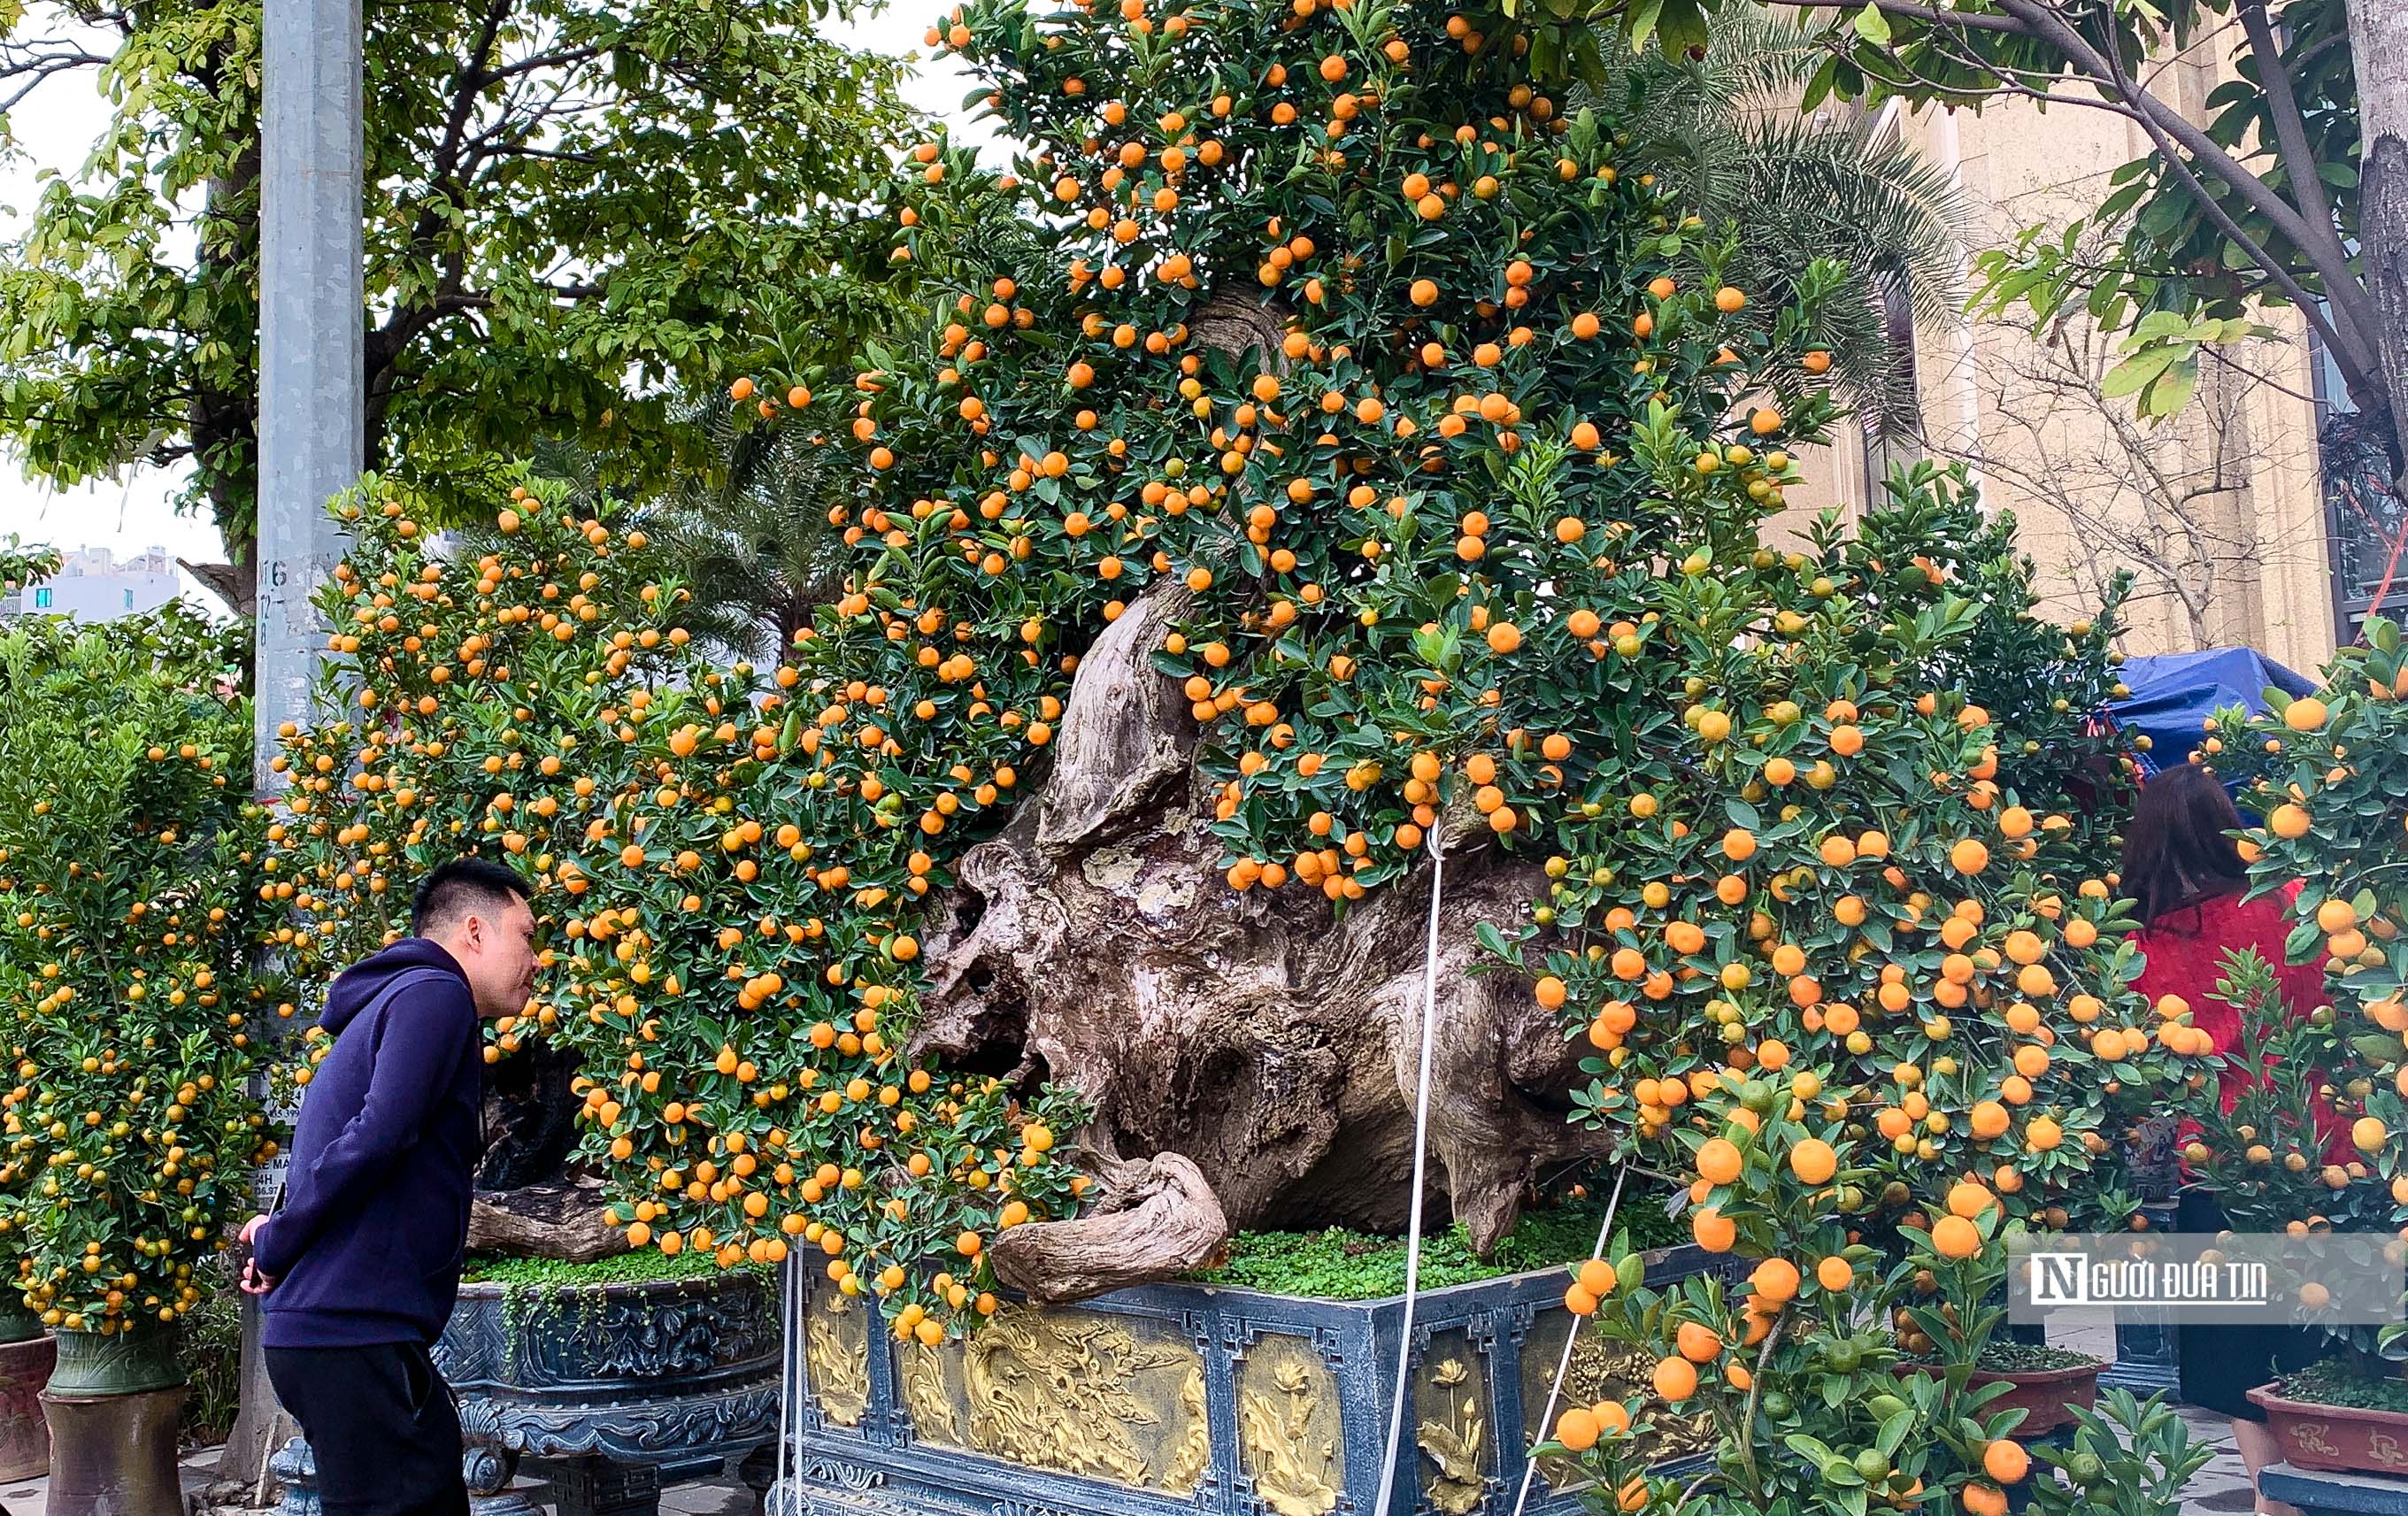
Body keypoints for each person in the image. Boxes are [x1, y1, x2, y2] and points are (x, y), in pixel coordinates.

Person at [242, 858, 536, 1516]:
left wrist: (276, 1231)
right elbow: (379, 1130)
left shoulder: (398, 1000)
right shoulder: (434, 994)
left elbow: (345, 1137)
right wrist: (280, 1240)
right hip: (352, 1334)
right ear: (474, 931)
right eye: (528, 934)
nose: (537, 959)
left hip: (342, 1333)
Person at [2122, 762, 2341, 1516]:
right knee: (2327, 1324)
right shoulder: (2289, 903)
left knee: (2235, 1340)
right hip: (2325, 1149)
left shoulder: (2145, 941)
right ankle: (2329, 1478)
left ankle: (2266, 1497)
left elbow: (2135, 1052)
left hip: (2216, 1157)